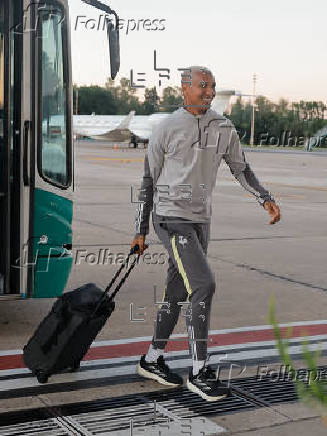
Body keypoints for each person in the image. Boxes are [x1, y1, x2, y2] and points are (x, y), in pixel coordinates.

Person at [131, 66, 280, 402]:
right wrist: (140, 230)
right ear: (184, 89)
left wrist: (265, 198)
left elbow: (241, 168)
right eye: (203, 86)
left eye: (212, 86)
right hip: (170, 219)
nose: (209, 92)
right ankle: (199, 371)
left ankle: (152, 360)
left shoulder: (223, 128)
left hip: (200, 221)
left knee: (178, 289)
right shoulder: (166, 128)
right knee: (203, 284)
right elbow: (148, 181)